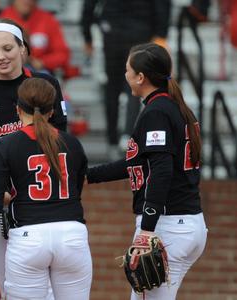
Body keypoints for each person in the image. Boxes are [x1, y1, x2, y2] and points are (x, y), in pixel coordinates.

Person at [86, 43, 207, 299]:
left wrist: (148, 230)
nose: (126, 75)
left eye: (128, 70)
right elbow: (140, 162)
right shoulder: (175, 107)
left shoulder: (157, 111)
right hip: (188, 223)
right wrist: (89, 175)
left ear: (141, 77)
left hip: (167, 224)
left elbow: (161, 170)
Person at [0, 18, 68, 296]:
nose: (1, 56)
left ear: (23, 49)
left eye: (8, 48)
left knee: (37, 286)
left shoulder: (45, 83)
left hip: (34, 195)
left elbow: (62, 139)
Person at [0, 77, 91, 300]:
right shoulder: (72, 143)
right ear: (52, 111)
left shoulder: (4, 145)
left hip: (29, 237)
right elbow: (76, 189)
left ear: (17, 109)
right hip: (71, 235)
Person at [81, 0, 171, 157]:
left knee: (113, 86)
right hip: (140, 28)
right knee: (136, 83)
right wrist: (161, 34)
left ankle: (114, 140)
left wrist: (87, 34)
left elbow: (89, 5)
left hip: (114, 26)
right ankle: (127, 138)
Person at [0, 0, 70, 73]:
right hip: (9, 68)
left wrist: (43, 62)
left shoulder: (47, 20)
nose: (27, 2)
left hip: (38, 71)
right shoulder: (2, 20)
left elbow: (62, 54)